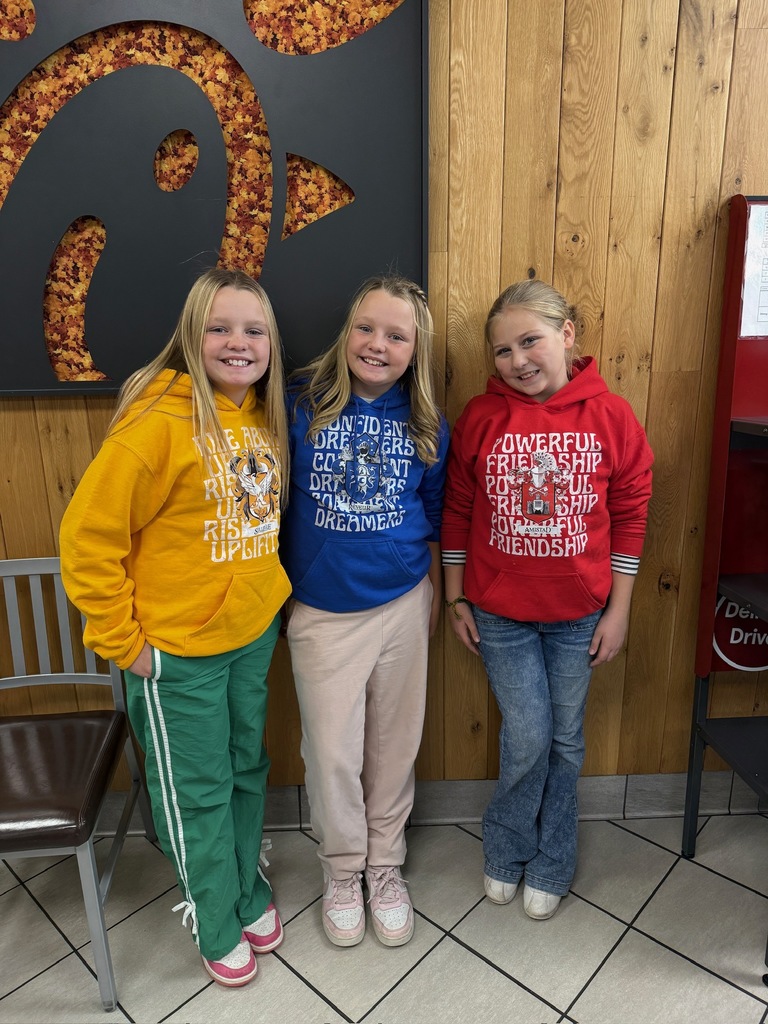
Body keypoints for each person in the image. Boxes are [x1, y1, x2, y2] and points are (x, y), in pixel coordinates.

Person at [59, 268, 291, 986]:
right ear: (192, 337)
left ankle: (246, 888)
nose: (238, 342)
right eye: (220, 328)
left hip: (249, 638)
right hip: (176, 655)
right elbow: (87, 540)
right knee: (196, 790)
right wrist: (128, 646)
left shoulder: (260, 416)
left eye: (253, 330)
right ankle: (214, 912)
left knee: (246, 769)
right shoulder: (157, 420)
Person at [441, 279, 653, 921]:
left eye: (530, 340)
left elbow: (631, 512)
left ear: (567, 335)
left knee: (565, 739)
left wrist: (618, 609)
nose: (517, 361)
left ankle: (553, 857)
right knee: (528, 734)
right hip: (498, 613)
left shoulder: (612, 417)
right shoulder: (481, 417)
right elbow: (457, 509)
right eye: (502, 350)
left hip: (580, 616)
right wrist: (455, 597)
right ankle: (507, 845)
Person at [281, 274, 449, 947]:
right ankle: (343, 868)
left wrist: (433, 590)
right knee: (331, 753)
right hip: (322, 612)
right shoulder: (298, 404)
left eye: (397, 335)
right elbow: (268, 503)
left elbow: (434, 515)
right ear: (347, 332)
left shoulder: (424, 418)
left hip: (404, 602)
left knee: (392, 746)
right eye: (367, 328)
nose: (378, 344)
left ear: (416, 349)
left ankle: (385, 867)